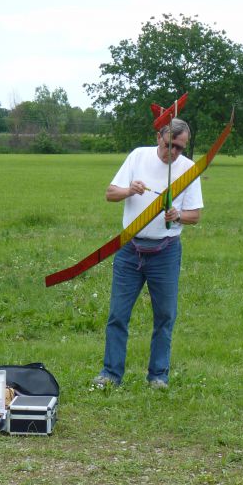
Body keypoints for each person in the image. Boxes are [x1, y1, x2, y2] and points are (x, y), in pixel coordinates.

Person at [93, 118, 202, 390]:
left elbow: (195, 215)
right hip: (130, 250)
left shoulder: (189, 170)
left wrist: (178, 215)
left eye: (180, 148)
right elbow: (110, 193)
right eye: (170, 145)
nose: (174, 152)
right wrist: (130, 189)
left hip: (165, 252)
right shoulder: (137, 157)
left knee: (165, 316)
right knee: (118, 314)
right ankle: (110, 374)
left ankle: (158, 376)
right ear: (158, 137)